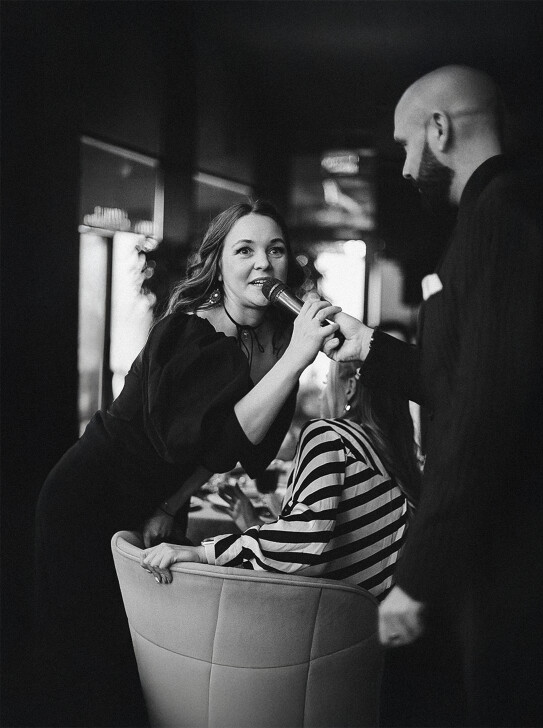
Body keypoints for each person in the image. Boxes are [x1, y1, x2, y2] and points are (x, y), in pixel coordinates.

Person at [322, 66, 543, 726]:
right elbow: (462, 378)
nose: (408, 167)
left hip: (516, 550)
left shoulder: (500, 216)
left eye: (407, 144)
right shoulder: (499, 213)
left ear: (439, 130)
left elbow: (485, 404)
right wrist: (370, 347)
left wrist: (418, 574)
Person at [34, 199, 341, 728]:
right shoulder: (187, 332)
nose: (263, 263)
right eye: (244, 250)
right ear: (217, 264)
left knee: (139, 664)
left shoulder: (270, 341)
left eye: (275, 250)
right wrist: (295, 359)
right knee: (86, 661)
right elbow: (203, 440)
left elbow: (227, 453)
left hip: (150, 501)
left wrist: (169, 503)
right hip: (86, 499)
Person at [140, 358, 421, 601]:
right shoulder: (397, 461)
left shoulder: (329, 435)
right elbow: (333, 545)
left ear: (349, 387)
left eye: (327, 382)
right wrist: (253, 524)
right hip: (362, 629)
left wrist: (202, 553)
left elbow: (309, 548)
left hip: (311, 627)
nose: (323, 396)